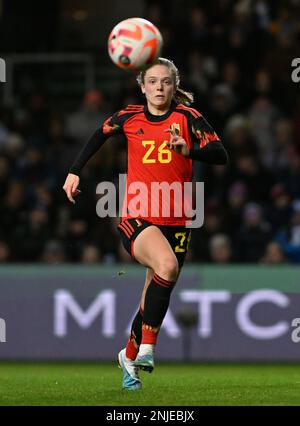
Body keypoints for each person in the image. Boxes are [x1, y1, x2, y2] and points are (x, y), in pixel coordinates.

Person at [63, 58, 228, 390]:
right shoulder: (129, 116)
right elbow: (99, 134)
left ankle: (128, 356)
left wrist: (189, 151)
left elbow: (220, 154)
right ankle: (149, 349)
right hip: (137, 215)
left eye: (166, 82)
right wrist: (75, 170)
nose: (159, 88)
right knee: (166, 266)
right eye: (152, 82)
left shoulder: (188, 117)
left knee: (156, 290)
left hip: (178, 218)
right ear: (142, 86)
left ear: (174, 85)